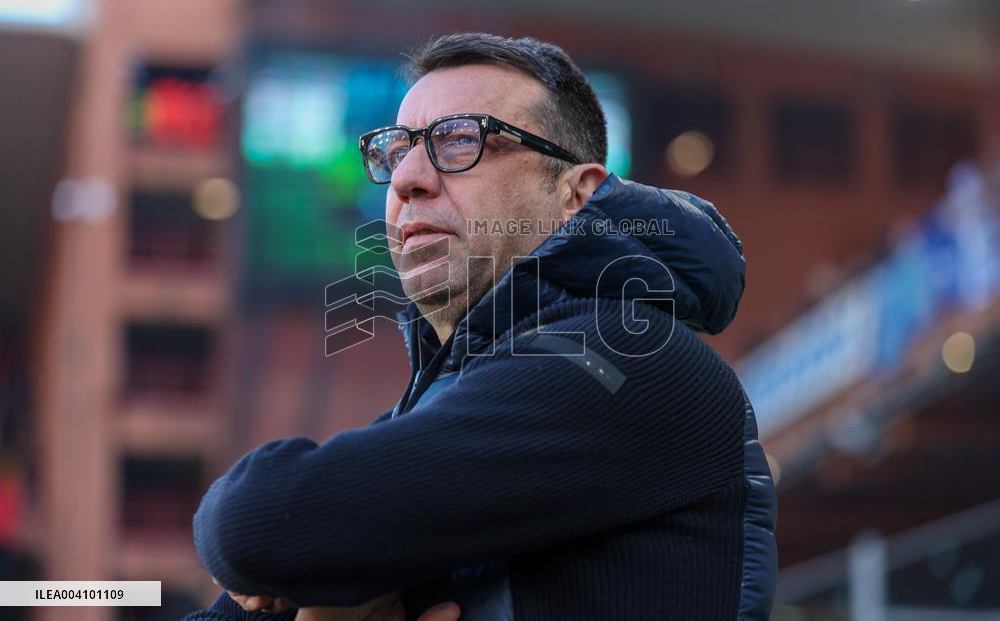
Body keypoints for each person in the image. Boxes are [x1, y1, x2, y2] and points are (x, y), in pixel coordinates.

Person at [184, 33, 777, 621]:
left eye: (461, 140)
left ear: (578, 194)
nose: (405, 179)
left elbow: (255, 525)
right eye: (395, 151)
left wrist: (266, 535)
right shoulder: (437, 410)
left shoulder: (626, 357)